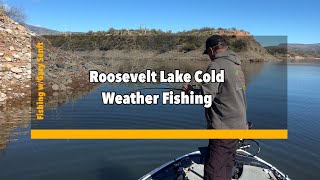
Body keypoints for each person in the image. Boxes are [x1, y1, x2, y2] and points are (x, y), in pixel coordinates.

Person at [183, 35, 248, 180]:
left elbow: (206, 97)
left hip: (223, 128)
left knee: (213, 172)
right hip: (239, 126)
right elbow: (223, 91)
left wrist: (190, 92)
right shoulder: (236, 65)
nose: (209, 57)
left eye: (208, 54)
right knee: (227, 165)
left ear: (212, 49)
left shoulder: (216, 65)